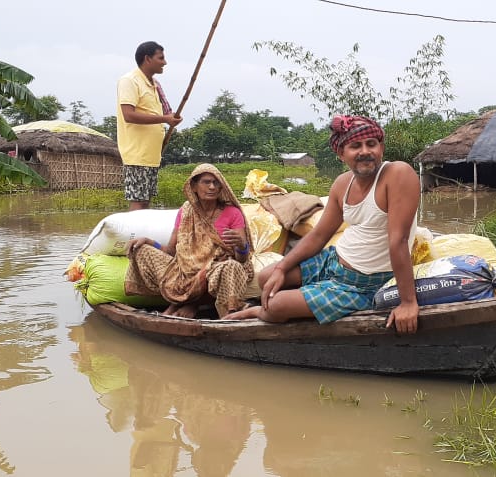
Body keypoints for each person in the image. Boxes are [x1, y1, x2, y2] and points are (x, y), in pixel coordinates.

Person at [224, 115, 421, 334]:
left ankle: (258, 312)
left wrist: (408, 302)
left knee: (275, 305)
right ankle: (306, 296)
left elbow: (399, 240)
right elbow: (318, 236)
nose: (365, 151)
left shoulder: (397, 174)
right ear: (341, 154)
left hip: (364, 283)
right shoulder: (343, 184)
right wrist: (281, 268)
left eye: (371, 144)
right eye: (355, 146)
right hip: (334, 261)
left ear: (381, 147)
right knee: (266, 277)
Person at [124, 164, 253, 318]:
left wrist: (241, 245)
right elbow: (172, 251)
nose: (212, 187)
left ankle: (222, 313)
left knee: (231, 267)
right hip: (184, 272)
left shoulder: (232, 213)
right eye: (206, 182)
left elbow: (242, 259)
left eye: (216, 183)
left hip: (216, 270)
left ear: (221, 187)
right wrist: (149, 242)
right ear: (194, 186)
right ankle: (184, 303)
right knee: (141, 250)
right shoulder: (186, 211)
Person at [117, 41, 183, 211]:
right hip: (137, 154)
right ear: (147, 59)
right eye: (161, 58)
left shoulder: (155, 85)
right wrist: (164, 119)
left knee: (145, 202)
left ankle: (142, 237)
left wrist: (170, 118)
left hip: (151, 155)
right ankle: (134, 237)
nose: (164, 62)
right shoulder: (130, 81)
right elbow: (128, 115)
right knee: (138, 201)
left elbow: (161, 114)